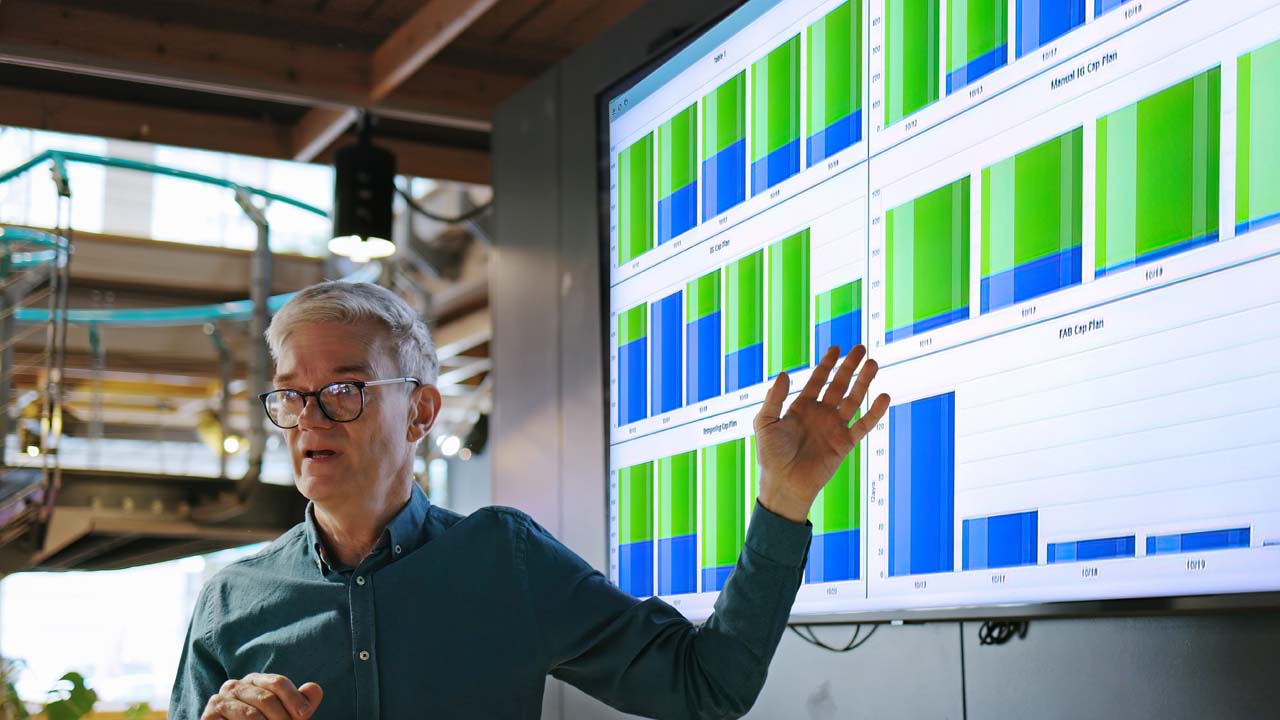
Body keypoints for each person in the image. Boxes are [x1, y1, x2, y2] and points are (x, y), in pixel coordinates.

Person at [171, 281, 889, 720]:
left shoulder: (503, 560)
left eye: (345, 390)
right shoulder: (230, 603)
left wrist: (783, 501)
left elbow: (705, 687)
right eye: (293, 395)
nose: (312, 417)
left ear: (421, 412)